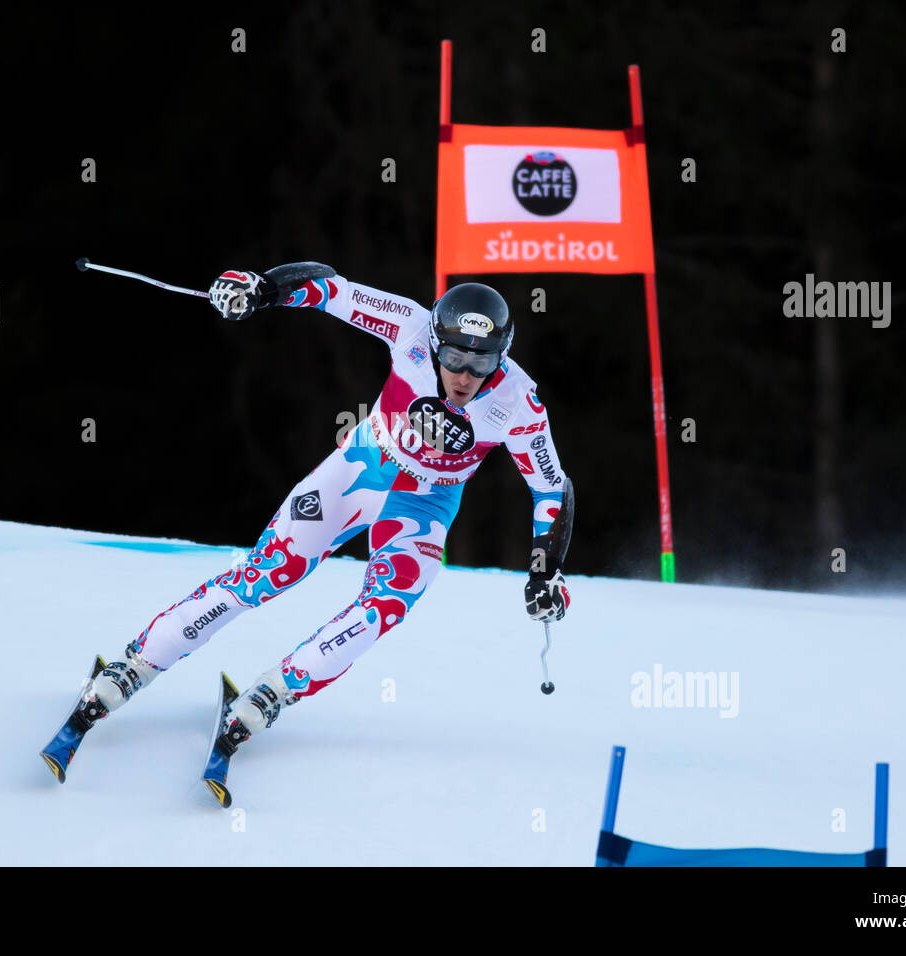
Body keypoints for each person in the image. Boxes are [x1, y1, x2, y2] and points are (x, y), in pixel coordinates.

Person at [42, 262, 573, 781]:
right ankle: (136, 664)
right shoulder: (410, 325)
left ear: (501, 357)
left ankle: (276, 691)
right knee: (265, 574)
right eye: (455, 356)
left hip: (426, 503)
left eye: (481, 364)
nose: (463, 375)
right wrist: (263, 289)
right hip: (364, 466)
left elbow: (550, 486)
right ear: (435, 341)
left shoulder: (518, 404)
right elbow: (329, 288)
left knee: (385, 606)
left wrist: (544, 568)